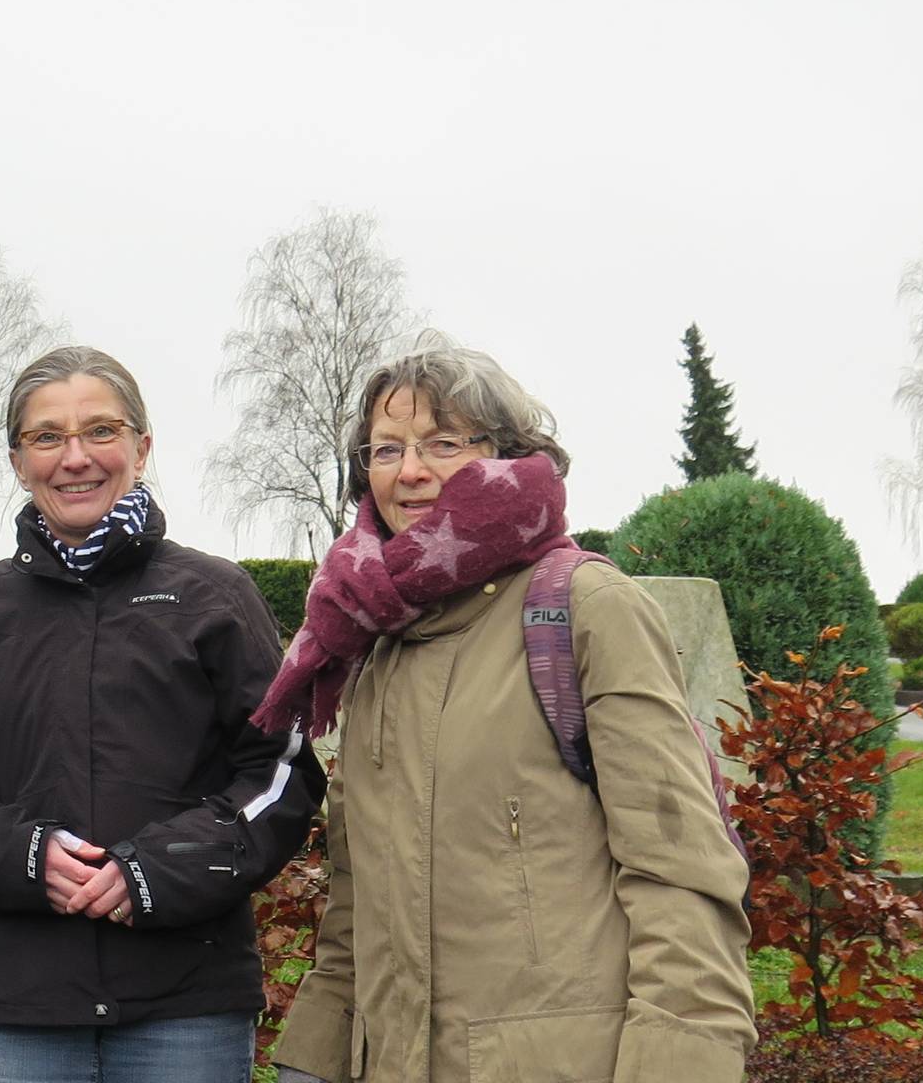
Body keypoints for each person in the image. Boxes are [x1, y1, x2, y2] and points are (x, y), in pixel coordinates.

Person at [256, 342, 753, 1083]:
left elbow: (680, 872)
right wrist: (316, 1057)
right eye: (386, 449)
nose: (409, 470)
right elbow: (356, 899)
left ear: (509, 455)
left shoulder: (588, 608)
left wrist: (678, 1063)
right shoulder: (374, 636)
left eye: (444, 443)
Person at [0, 345, 326, 1083]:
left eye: (100, 430)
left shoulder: (216, 597)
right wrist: (28, 857)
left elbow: (280, 773)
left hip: (187, 1006)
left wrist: (154, 870)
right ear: (18, 461)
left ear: (141, 447)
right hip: (26, 1009)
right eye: (47, 436)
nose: (75, 457)